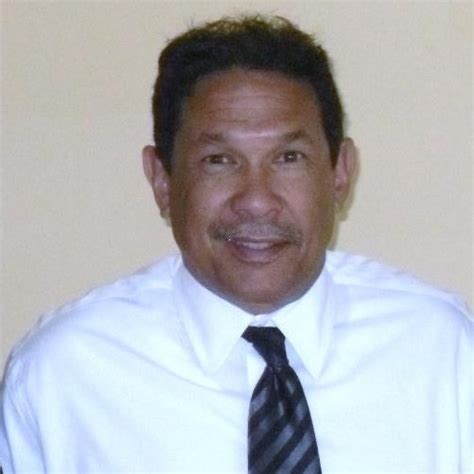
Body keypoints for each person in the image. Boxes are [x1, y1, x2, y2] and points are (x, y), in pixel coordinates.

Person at [1, 15, 471, 473]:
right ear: (162, 180)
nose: (257, 201)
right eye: (219, 161)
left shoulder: (444, 353)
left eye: (289, 158)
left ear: (340, 172)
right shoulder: (61, 376)